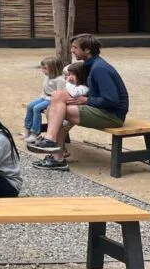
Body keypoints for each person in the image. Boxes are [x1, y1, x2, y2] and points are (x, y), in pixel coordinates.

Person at [30, 34, 130, 171]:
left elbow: (111, 100)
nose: (72, 51)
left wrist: (87, 100)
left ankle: (56, 154)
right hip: (99, 109)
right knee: (57, 96)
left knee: (55, 111)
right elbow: (67, 70)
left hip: (112, 115)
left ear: (87, 49)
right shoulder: (90, 64)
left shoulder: (99, 68)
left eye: (75, 48)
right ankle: (52, 143)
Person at [21, 57, 66, 142]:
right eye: (42, 68)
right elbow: (44, 89)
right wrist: (42, 96)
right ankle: (27, 130)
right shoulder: (47, 77)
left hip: (52, 100)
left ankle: (35, 133)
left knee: (36, 108)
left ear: (53, 68)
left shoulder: (60, 80)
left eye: (45, 68)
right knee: (30, 106)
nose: (43, 70)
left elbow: (61, 94)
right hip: (44, 97)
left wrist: (51, 100)